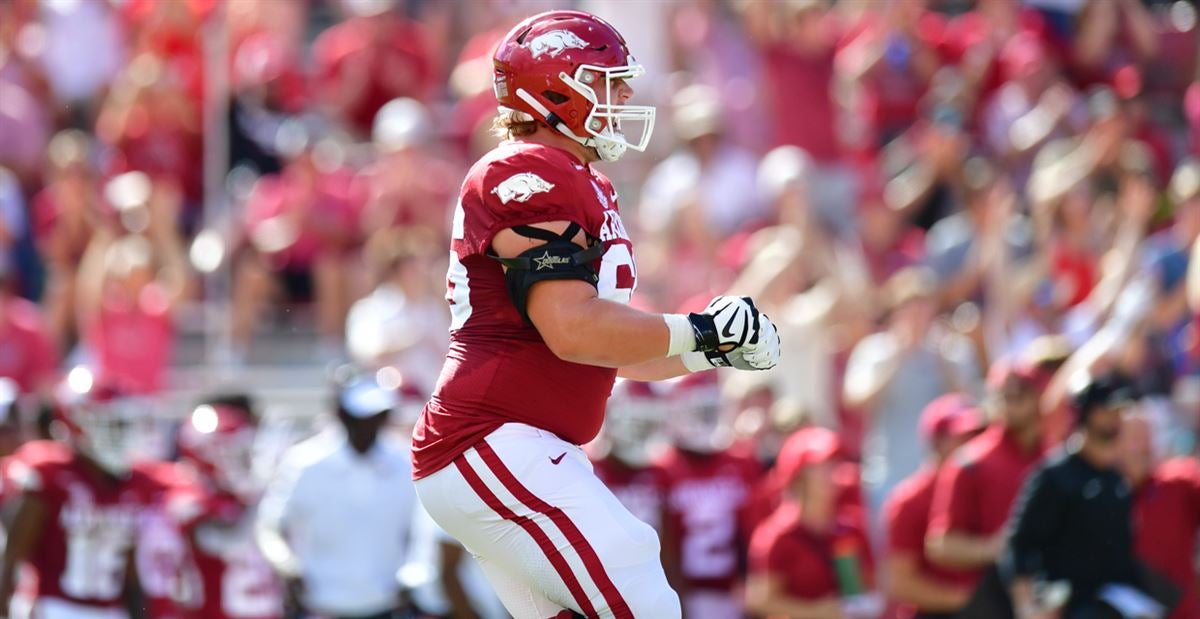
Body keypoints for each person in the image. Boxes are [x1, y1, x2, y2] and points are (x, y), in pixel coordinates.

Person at [409, 10, 780, 619]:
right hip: (492, 437)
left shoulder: (583, 181)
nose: (625, 94)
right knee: (639, 585)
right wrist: (700, 327)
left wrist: (712, 347)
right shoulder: (525, 168)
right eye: (607, 80)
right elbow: (573, 328)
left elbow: (611, 347)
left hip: (516, 443)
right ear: (555, 88)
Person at [0, 375, 163, 619]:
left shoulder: (133, 485)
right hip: (54, 608)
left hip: (110, 611)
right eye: (112, 425)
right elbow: (13, 555)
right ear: (79, 424)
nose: (121, 435)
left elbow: (131, 572)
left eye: (124, 425)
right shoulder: (51, 474)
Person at [257, 375, 417, 619]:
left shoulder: (405, 462)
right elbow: (270, 527)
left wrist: (413, 575)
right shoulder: (304, 463)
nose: (369, 425)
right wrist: (288, 567)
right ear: (342, 415)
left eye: (376, 416)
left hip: (388, 605)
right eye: (361, 417)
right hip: (320, 606)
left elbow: (419, 533)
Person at [1006, 372, 1156, 619]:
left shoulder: (1116, 476)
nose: (1115, 418)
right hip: (1070, 603)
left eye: (1119, 411)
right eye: (1107, 410)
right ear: (1087, 413)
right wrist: (1026, 606)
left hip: (1118, 599)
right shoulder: (1054, 476)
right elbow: (1019, 545)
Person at [925, 361, 1045, 588]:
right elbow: (941, 545)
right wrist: (994, 549)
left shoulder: (1052, 457)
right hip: (991, 590)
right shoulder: (970, 462)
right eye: (1004, 395)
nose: (1011, 403)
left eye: (1020, 394)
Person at [656, 373, 762, 619]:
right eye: (699, 410)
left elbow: (754, 535)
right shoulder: (664, 467)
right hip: (680, 593)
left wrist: (752, 585)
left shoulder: (742, 461)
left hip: (734, 593)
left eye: (710, 409)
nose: (706, 418)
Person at [162, 403, 283, 619]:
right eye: (231, 451)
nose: (243, 460)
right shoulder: (189, 496)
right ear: (205, 452)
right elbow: (229, 541)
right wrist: (263, 492)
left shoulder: (239, 496)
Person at [745, 427, 881, 619]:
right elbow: (761, 600)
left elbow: (868, 586)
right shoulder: (776, 536)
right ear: (798, 476)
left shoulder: (850, 529)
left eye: (834, 463)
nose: (833, 473)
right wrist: (814, 612)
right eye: (822, 466)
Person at [883, 393, 985, 619]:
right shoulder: (909, 500)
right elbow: (901, 583)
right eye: (962, 437)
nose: (972, 445)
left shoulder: (980, 486)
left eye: (976, 435)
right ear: (937, 442)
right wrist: (967, 599)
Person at [1119, 407, 1200, 619]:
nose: (1143, 447)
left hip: (1180, 611)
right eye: (1134, 438)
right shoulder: (1097, 490)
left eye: (1147, 437)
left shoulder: (1178, 482)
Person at [590, 379, 669, 531]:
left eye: (648, 424)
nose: (641, 432)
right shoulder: (587, 468)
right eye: (637, 424)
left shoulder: (661, 474)